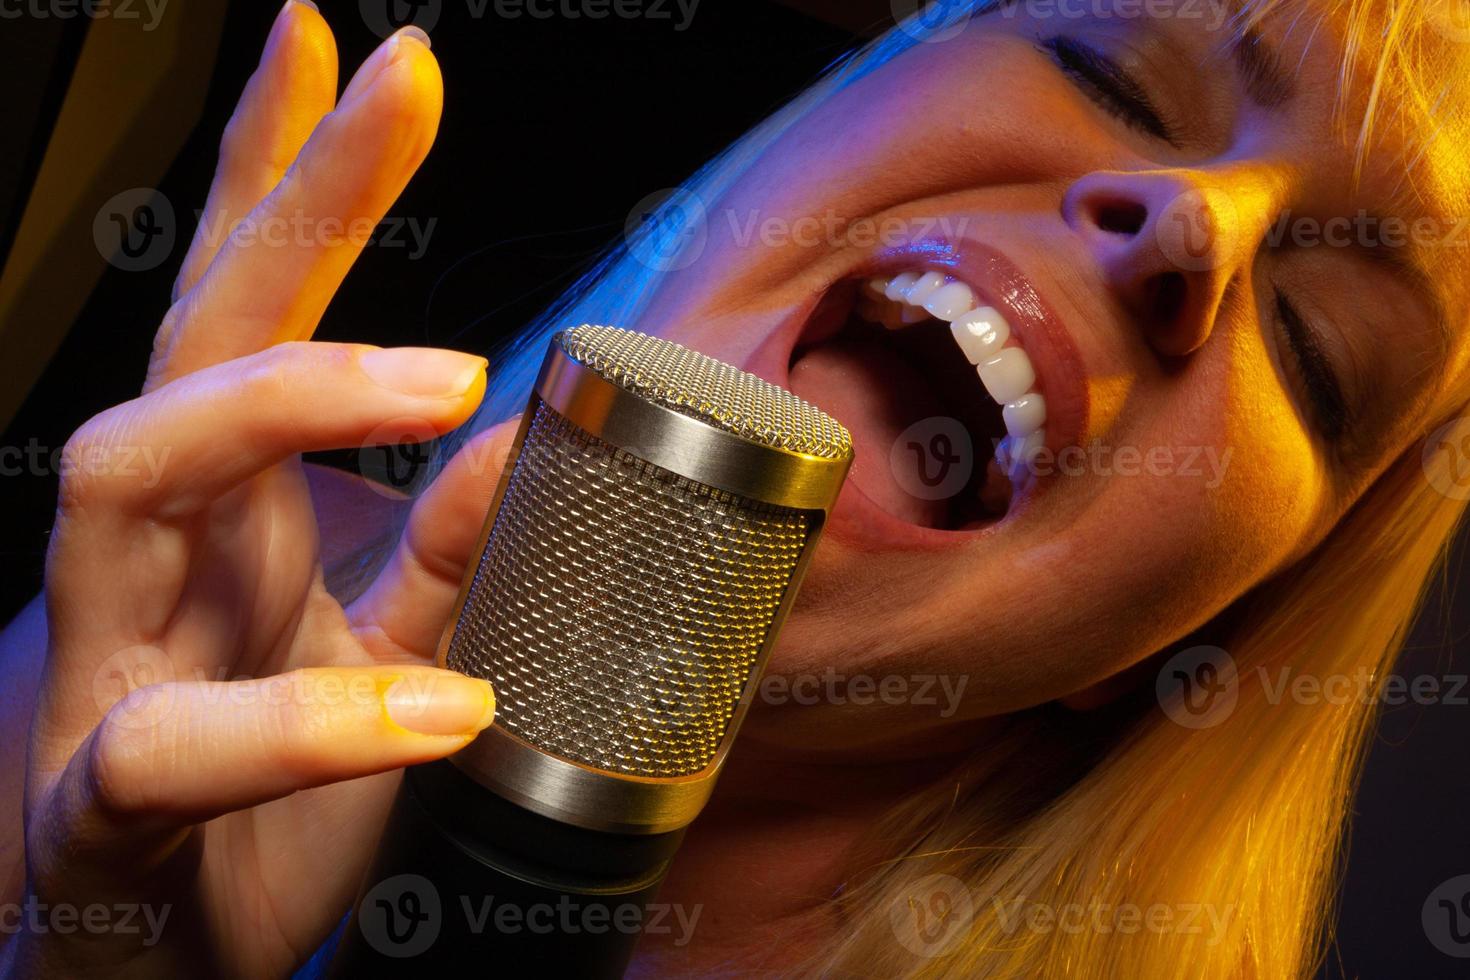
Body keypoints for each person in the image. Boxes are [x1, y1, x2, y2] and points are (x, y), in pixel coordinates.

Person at [3, 0, 1467, 975]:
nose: (1190, 225)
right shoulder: (178, 629)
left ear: (1175, 639)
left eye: (1316, 347)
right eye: (1106, 71)